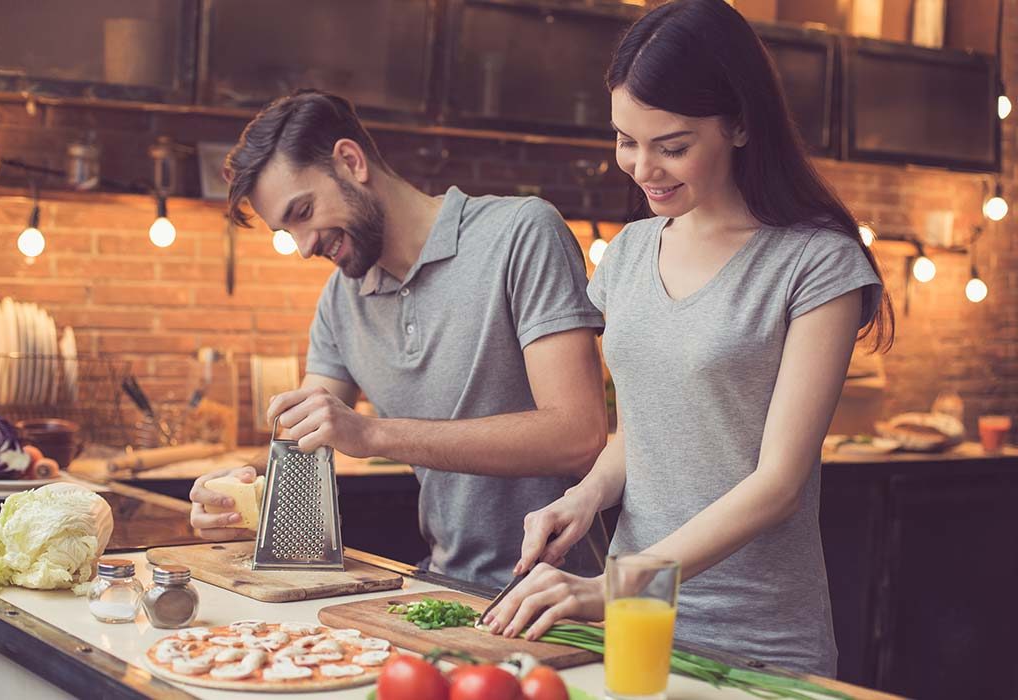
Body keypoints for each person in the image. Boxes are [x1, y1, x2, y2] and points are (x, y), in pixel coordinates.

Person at [484, 0, 894, 676]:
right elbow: (645, 430)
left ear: (739, 124)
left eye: (671, 146)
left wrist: (610, 587)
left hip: (756, 640)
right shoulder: (627, 254)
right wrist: (583, 497)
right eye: (625, 140)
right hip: (636, 625)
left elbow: (778, 483)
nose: (644, 167)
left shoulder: (817, 264)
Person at [187, 90, 610, 588]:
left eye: (303, 213)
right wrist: (237, 487)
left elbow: (578, 436)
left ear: (350, 161)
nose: (303, 248)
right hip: (442, 584)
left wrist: (371, 434)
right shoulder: (340, 300)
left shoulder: (520, 233)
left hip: (561, 593)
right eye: (286, 229)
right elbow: (302, 437)